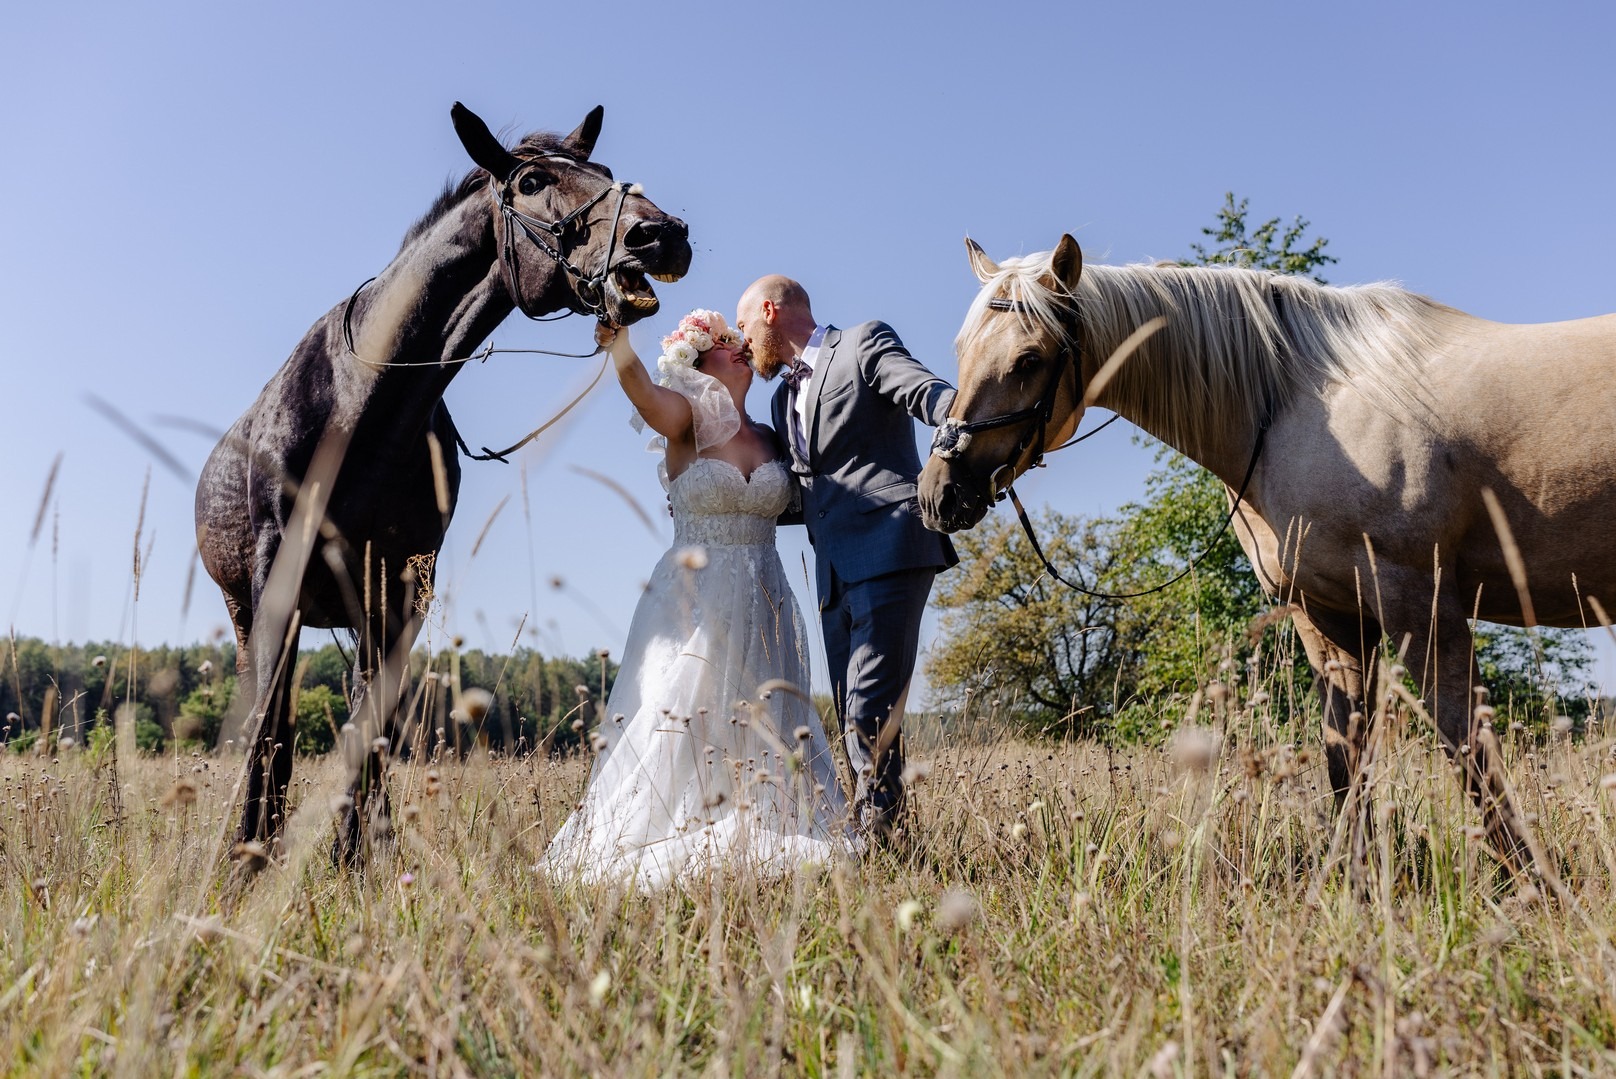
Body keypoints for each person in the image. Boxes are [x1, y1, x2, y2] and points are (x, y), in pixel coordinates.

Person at [540, 309, 854, 889]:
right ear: (694, 362)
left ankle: (779, 818)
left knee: (771, 717)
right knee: (688, 714)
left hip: (767, 596)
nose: (739, 349)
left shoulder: (770, 434)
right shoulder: (683, 418)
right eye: (723, 342)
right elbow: (641, 393)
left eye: (740, 342)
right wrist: (621, 347)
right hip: (695, 599)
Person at [734, 276, 956, 840]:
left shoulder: (860, 343)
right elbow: (800, 492)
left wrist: (966, 425)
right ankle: (892, 833)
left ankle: (873, 832)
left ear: (769, 311)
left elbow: (922, 391)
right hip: (832, 571)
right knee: (851, 706)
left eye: (742, 327)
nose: (741, 340)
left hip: (890, 542)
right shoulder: (782, 398)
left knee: (868, 703)